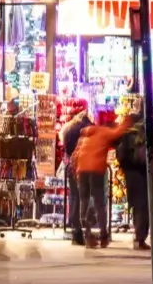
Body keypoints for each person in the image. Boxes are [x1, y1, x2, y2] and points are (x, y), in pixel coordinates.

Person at [73, 111, 132, 248]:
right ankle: (104, 235)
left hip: (82, 171)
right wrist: (128, 121)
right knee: (100, 203)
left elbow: (76, 154)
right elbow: (118, 132)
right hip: (96, 171)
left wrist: (76, 171)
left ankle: (87, 235)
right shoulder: (103, 132)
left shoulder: (85, 135)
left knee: (84, 201)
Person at [112, 108, 153, 250]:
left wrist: (125, 168)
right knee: (145, 205)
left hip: (131, 174)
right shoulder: (148, 131)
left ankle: (138, 236)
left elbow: (120, 154)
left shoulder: (127, 134)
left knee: (136, 205)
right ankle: (141, 237)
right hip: (145, 173)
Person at [60, 103, 93, 246]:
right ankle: (85, 230)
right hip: (85, 167)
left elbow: (65, 146)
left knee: (74, 197)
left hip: (72, 166)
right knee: (85, 198)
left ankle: (76, 231)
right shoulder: (89, 129)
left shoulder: (68, 128)